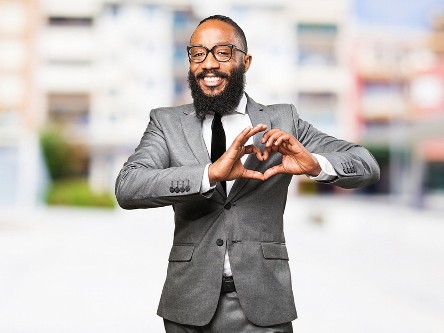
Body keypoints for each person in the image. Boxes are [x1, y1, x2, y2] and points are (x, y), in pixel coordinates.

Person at [115, 14, 380, 333]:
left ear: (246, 61)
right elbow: (128, 186)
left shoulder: (282, 120)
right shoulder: (166, 123)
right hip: (188, 306)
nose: (208, 64)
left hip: (263, 305)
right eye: (198, 53)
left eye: (222, 52)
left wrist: (315, 164)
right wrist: (210, 174)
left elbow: (365, 163)